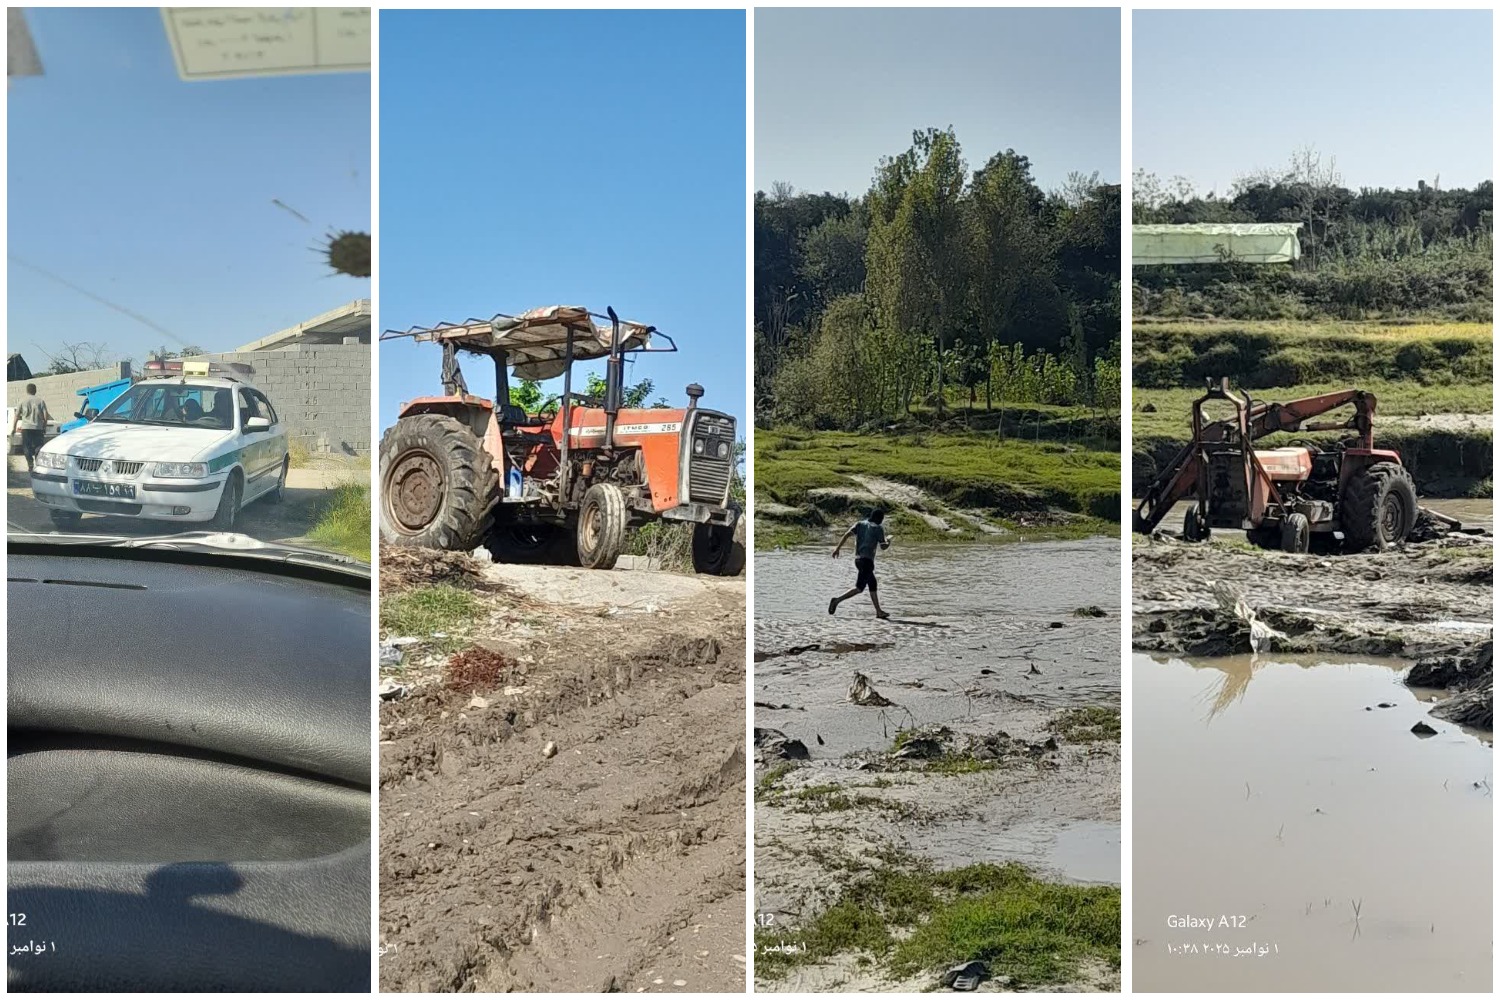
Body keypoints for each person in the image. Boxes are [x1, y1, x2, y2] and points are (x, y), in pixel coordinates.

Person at [829, 507, 891, 619]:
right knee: (859, 588)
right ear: (880, 519)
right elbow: (883, 546)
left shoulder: (860, 524)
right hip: (867, 561)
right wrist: (889, 542)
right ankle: (836, 600)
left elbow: (847, 534)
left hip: (858, 560)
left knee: (873, 584)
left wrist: (837, 549)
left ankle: (879, 611)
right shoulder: (878, 529)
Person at [11, 383, 50, 474]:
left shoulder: (22, 401)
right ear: (35, 390)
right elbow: (46, 415)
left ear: (27, 390)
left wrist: (14, 428)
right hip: (38, 428)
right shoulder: (40, 401)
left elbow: (16, 416)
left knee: (26, 447)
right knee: (38, 446)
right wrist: (44, 425)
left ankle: (30, 463)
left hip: (26, 428)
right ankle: (37, 462)